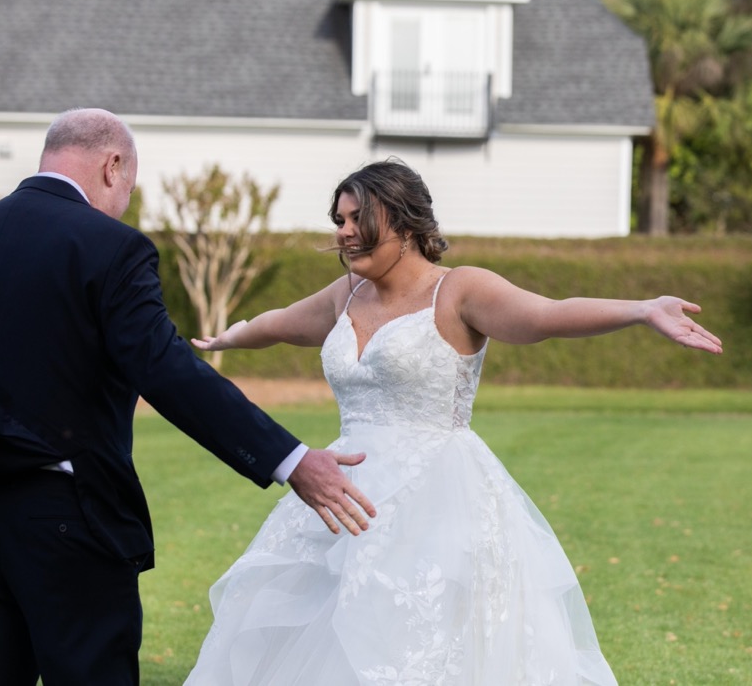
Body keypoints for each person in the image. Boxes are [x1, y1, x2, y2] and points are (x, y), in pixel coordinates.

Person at [0, 107, 376, 686]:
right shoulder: (114, 250)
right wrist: (290, 460)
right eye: (129, 184)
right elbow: (168, 372)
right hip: (68, 521)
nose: (126, 199)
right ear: (112, 166)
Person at [184, 158, 724, 685]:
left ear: (402, 221)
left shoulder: (459, 289)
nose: (345, 233)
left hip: (439, 499)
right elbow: (280, 325)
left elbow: (546, 316)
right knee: (328, 632)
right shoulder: (346, 295)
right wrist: (230, 337)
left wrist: (641, 309)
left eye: (357, 220)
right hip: (346, 494)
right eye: (340, 221)